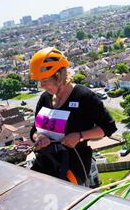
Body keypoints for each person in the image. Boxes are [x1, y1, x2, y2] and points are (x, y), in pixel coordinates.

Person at [29, 47, 117, 186]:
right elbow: (34, 130)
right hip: (46, 159)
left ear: (59, 75)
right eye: (39, 81)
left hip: (74, 162)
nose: (41, 85)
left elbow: (108, 127)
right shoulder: (45, 99)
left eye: (45, 80)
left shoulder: (84, 96)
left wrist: (80, 136)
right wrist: (39, 137)